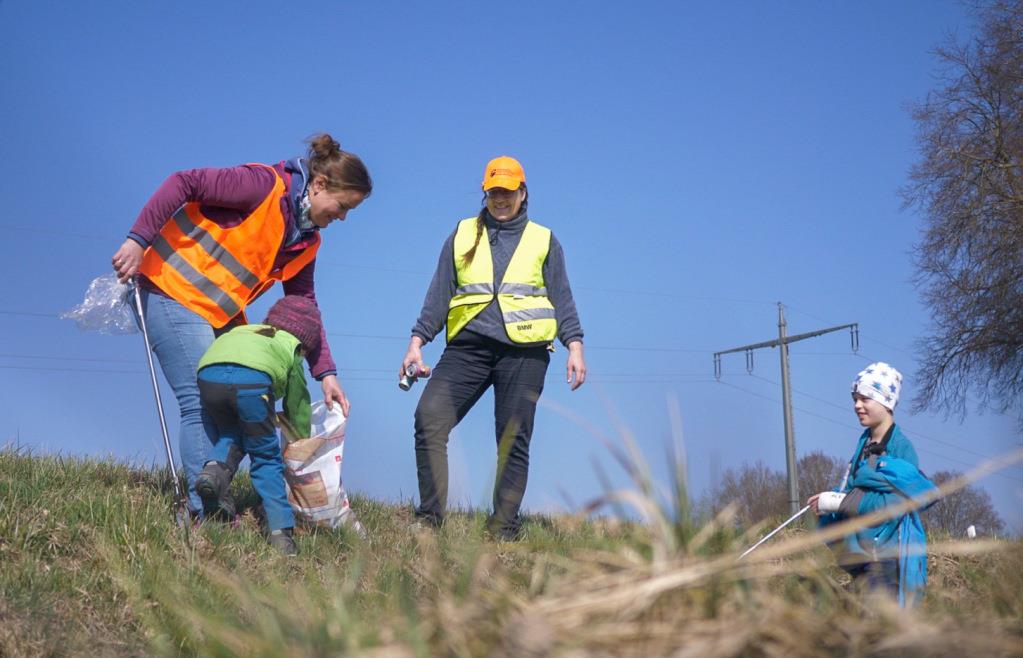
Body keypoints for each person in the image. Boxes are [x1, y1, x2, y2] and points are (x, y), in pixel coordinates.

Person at [111, 134, 371, 516]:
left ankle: (214, 494)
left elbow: (303, 305)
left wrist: (325, 372)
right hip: (170, 288)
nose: (343, 217)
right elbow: (183, 182)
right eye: (342, 206)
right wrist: (137, 240)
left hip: (216, 311)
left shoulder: (306, 239)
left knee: (242, 398)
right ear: (318, 185)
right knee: (201, 401)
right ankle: (203, 514)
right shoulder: (261, 186)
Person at [400, 155, 587, 540]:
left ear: (523, 193)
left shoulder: (544, 240)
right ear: (485, 194)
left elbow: (562, 297)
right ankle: (429, 520)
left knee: (512, 437)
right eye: (493, 193)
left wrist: (575, 345)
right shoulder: (462, 234)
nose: (500, 200)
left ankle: (503, 528)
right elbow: (439, 293)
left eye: (507, 192)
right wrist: (417, 341)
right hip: (468, 348)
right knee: (429, 419)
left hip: (526, 351)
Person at [194, 295, 320, 556]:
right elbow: (298, 404)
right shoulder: (291, 346)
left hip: (208, 375)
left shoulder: (248, 331)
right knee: (265, 456)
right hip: (251, 381)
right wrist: (299, 438)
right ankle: (280, 533)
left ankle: (212, 475)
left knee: (232, 433)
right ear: (304, 341)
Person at [808, 362, 937, 607]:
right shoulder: (864, 441)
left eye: (865, 399)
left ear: (886, 402)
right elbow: (855, 488)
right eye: (855, 399)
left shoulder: (901, 448)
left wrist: (842, 503)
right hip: (861, 553)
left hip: (885, 556)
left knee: (878, 627)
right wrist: (830, 501)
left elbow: (898, 502)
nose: (857, 405)